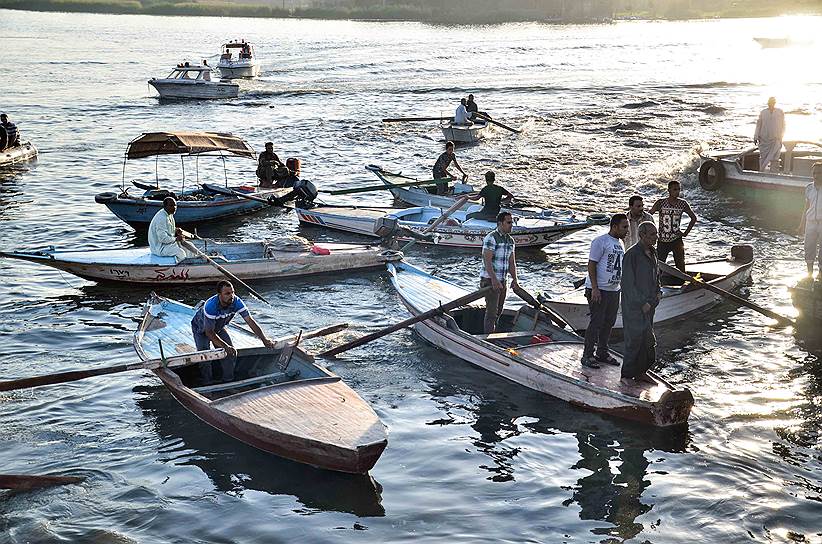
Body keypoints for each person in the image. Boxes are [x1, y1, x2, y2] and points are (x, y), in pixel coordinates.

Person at [191, 280, 277, 384]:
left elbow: (250, 321)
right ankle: (207, 382)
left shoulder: (237, 302)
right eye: (227, 293)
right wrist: (225, 346)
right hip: (201, 329)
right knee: (205, 356)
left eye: (233, 292)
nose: (231, 296)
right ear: (219, 295)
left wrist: (264, 339)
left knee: (231, 354)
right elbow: (209, 333)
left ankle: (228, 381)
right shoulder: (210, 305)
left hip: (218, 327)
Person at [581, 213, 629, 369]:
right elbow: (591, 264)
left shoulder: (619, 244)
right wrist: (594, 288)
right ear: (614, 226)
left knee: (609, 322)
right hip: (599, 288)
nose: (627, 230)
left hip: (613, 289)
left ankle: (602, 352)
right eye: (624, 227)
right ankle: (587, 355)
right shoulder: (601, 241)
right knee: (596, 322)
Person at [620, 221, 661, 383]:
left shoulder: (653, 252)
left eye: (656, 234)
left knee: (648, 340)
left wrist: (659, 292)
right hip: (634, 307)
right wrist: (641, 303)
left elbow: (657, 276)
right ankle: (627, 375)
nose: (656, 237)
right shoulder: (631, 255)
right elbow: (628, 284)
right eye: (652, 234)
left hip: (651, 304)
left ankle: (642, 371)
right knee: (634, 339)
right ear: (642, 235)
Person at [480, 211, 519, 334]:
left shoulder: (510, 240)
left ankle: (493, 332)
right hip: (490, 280)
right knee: (491, 312)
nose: (511, 225)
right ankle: (488, 337)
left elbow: (511, 262)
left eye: (511, 222)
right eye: (508, 222)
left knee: (499, 310)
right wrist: (494, 280)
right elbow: (487, 261)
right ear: (500, 223)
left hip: (502, 280)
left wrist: (515, 279)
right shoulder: (491, 238)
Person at [649, 180, 697, 273]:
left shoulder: (682, 203)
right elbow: (649, 216)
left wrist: (685, 233)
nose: (677, 192)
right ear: (669, 190)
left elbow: (693, 218)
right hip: (662, 240)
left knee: (680, 266)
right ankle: (655, 285)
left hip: (676, 240)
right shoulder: (660, 203)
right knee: (658, 266)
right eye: (675, 189)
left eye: (679, 189)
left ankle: (682, 284)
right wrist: (652, 232)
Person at [798, 162, 822, 278]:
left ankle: (821, 274)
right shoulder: (809, 188)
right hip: (810, 222)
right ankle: (809, 274)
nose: (816, 176)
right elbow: (806, 207)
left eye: (819, 173)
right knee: (808, 247)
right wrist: (801, 224)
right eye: (814, 173)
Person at [148, 197, 187, 261]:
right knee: (181, 253)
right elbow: (162, 238)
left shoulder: (169, 214)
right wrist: (176, 239)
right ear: (165, 206)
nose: (174, 207)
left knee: (188, 246)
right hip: (159, 248)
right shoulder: (161, 218)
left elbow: (167, 229)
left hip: (167, 244)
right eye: (171, 205)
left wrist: (175, 230)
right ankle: (182, 269)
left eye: (175, 205)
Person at [754, 97, 785, 172]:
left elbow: (783, 125)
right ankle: (761, 172)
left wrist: (780, 137)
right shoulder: (763, 112)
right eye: (770, 102)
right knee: (763, 157)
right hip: (764, 139)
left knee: (775, 158)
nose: (771, 103)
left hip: (776, 139)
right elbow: (759, 125)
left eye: (773, 102)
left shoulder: (779, 112)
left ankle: (773, 174)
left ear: (775, 103)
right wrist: (756, 136)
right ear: (768, 103)